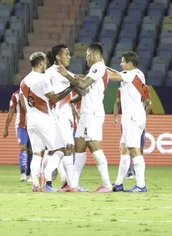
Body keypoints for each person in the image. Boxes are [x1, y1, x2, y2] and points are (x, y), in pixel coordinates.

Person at [58, 42, 113, 193]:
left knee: (95, 148)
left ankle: (107, 184)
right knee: (79, 147)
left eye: (87, 55)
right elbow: (84, 92)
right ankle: (73, 185)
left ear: (95, 55)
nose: (86, 58)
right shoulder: (96, 70)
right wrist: (71, 98)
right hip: (86, 113)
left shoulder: (98, 67)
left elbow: (82, 84)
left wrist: (66, 74)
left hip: (93, 114)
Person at [19, 51, 74, 192]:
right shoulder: (43, 79)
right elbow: (54, 98)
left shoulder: (23, 81)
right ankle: (46, 175)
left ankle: (35, 184)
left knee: (37, 153)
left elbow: (24, 103)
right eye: (45, 62)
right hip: (44, 119)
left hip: (31, 120)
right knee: (60, 149)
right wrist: (70, 88)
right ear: (41, 63)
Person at [107, 51, 148, 193]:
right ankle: (118, 183)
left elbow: (113, 77)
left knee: (134, 149)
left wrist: (99, 68)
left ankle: (141, 185)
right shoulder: (138, 74)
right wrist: (104, 66)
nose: (120, 64)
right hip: (134, 116)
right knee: (124, 148)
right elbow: (117, 73)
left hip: (132, 117)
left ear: (130, 64)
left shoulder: (130, 75)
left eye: (123, 61)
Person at [45, 44, 77, 192]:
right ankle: (71, 184)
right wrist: (71, 85)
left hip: (66, 116)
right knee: (68, 148)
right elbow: (53, 98)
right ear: (58, 57)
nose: (69, 57)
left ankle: (49, 180)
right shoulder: (50, 73)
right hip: (58, 117)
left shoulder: (66, 73)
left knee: (60, 150)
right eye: (66, 54)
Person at [114, 85, 152, 180]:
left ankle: (136, 172)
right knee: (127, 147)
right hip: (127, 121)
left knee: (139, 147)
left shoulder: (143, 88)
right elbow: (117, 103)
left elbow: (149, 103)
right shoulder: (121, 90)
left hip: (137, 120)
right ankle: (129, 172)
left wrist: (144, 115)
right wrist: (115, 117)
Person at [3, 90, 32, 182]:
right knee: (23, 147)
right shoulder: (16, 95)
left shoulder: (35, 93)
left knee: (31, 151)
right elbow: (11, 112)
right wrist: (6, 128)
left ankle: (28, 174)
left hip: (33, 126)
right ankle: (23, 174)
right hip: (20, 126)